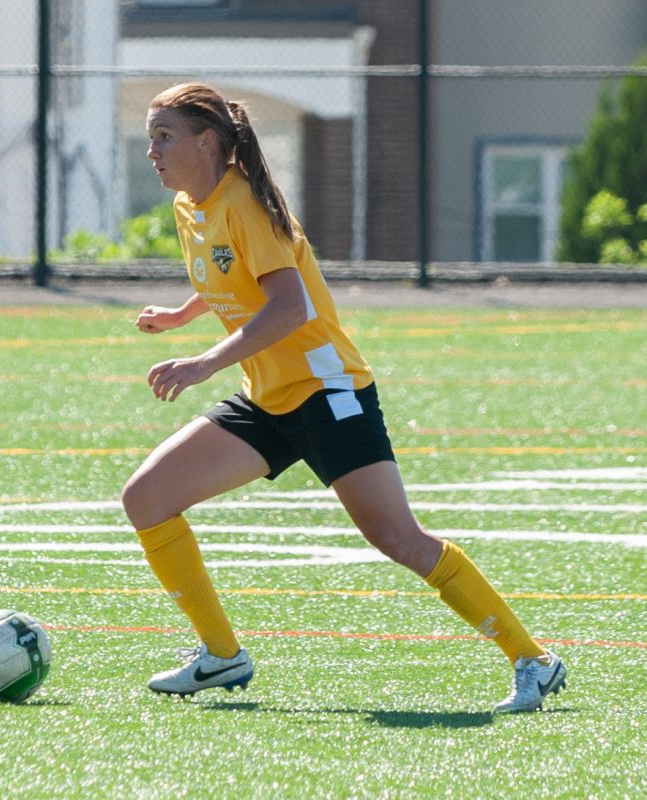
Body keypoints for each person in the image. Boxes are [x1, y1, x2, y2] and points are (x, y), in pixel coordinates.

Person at [122, 82, 566, 713]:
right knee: (147, 497)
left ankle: (534, 661)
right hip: (268, 398)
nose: (151, 151)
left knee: (398, 539)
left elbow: (289, 304)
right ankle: (221, 656)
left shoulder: (244, 201)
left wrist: (203, 362)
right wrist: (184, 313)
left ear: (208, 142)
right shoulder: (192, 206)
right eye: (151, 136)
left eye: (163, 136)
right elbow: (231, 271)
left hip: (330, 393)